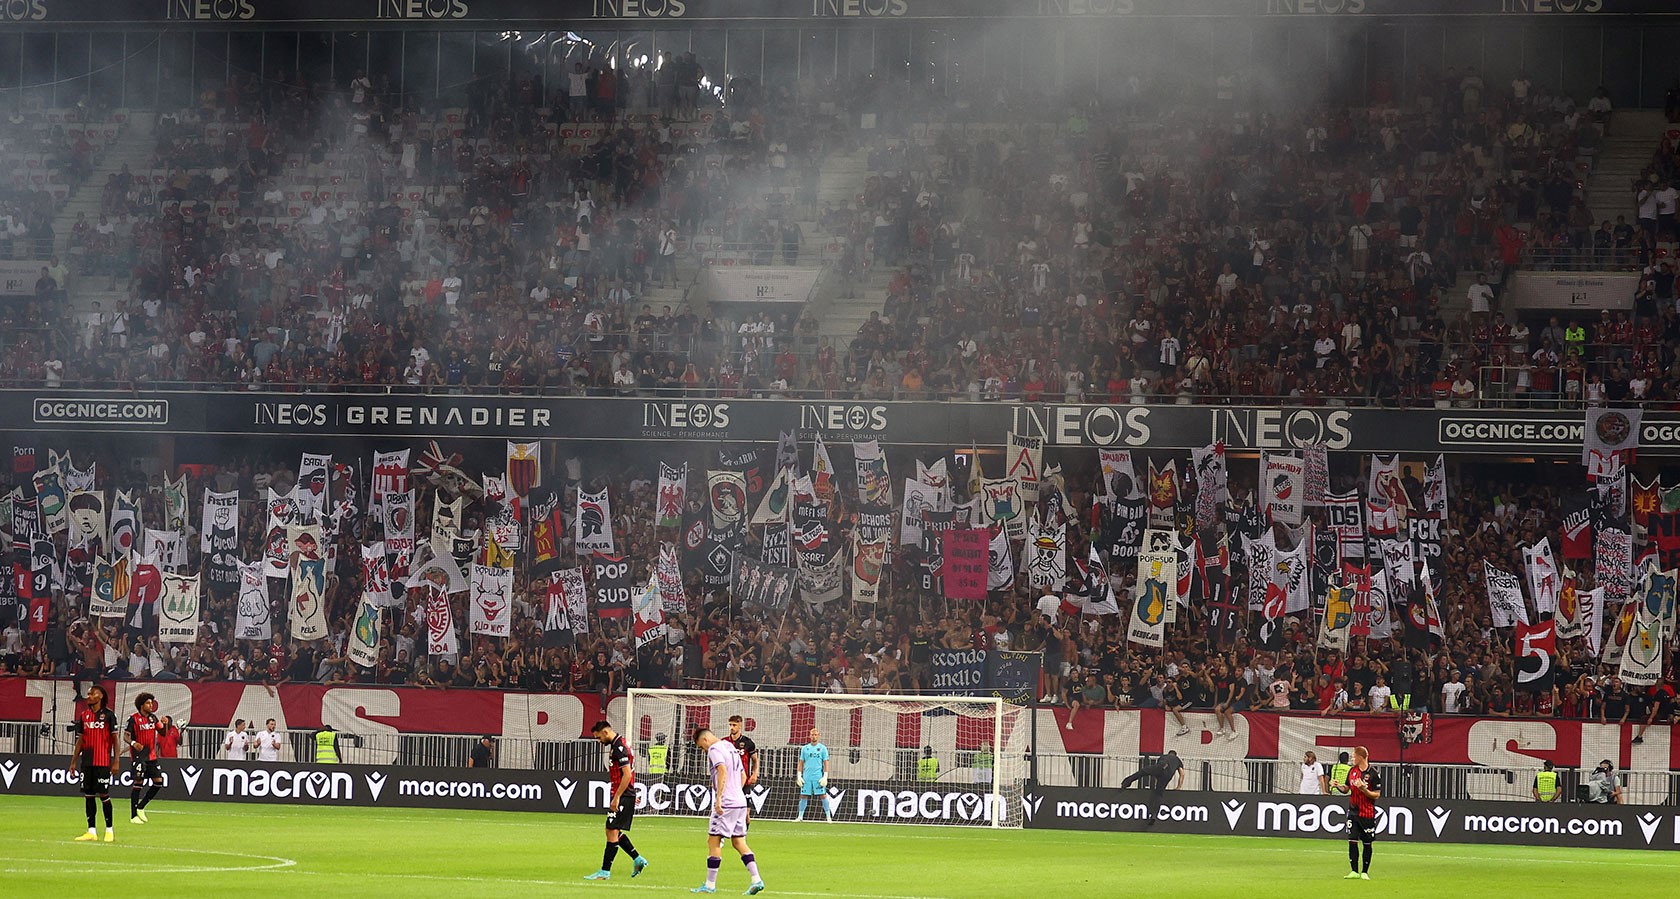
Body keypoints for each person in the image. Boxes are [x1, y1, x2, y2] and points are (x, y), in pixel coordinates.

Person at [690, 727, 765, 895]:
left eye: (701, 747)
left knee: (713, 841)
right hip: (739, 801)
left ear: (705, 740)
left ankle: (710, 885)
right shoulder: (730, 746)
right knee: (739, 842)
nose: (703, 750)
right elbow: (743, 775)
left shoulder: (714, 749)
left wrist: (719, 798)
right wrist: (735, 791)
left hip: (726, 804)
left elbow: (722, 770)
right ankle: (756, 879)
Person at [585, 720, 649, 880]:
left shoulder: (619, 748)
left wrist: (618, 797)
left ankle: (605, 871)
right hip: (625, 793)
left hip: (622, 795)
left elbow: (627, 774)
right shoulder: (618, 744)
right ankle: (637, 859)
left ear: (605, 732)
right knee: (612, 830)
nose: (599, 741)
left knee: (611, 831)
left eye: (599, 737)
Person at [71, 684, 119, 841]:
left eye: (92, 694)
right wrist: (73, 762)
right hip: (87, 762)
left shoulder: (109, 715)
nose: (89, 696)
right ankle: (91, 831)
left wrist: (116, 761)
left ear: (101, 696)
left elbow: (115, 739)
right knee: (89, 795)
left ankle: (109, 830)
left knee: (104, 795)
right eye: (89, 694)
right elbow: (80, 740)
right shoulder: (84, 715)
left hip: (102, 762)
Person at [1344, 745, 1383, 881]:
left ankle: (1364, 872)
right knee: (1352, 840)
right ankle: (1354, 871)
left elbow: (1376, 795)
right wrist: (1338, 786)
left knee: (1367, 842)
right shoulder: (1352, 771)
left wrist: (1364, 790)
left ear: (1360, 757)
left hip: (1367, 813)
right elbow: (1346, 788)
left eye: (1354, 756)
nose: (1352, 759)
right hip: (1353, 812)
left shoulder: (1373, 774)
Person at [125, 692, 164, 824]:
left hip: (151, 756)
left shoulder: (153, 718)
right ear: (141, 705)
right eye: (148, 703)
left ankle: (141, 806)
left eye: (151, 703)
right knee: (138, 783)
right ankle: (133, 816)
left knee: (158, 782)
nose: (151, 705)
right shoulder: (133, 719)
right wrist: (133, 743)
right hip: (139, 756)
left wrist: (165, 724)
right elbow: (126, 736)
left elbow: (162, 732)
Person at [1118, 749, 1184, 825]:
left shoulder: (1163, 756)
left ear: (1169, 753)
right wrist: (1178, 787)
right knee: (1159, 794)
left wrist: (1156, 778)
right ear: (1175, 755)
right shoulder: (1178, 760)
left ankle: (1126, 783)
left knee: (1143, 772)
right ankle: (1154, 815)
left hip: (1160, 767)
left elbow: (1158, 770)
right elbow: (1182, 774)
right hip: (1168, 775)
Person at [795, 726, 831, 822]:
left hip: (818, 776)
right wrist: (799, 775)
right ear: (809, 736)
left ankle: (828, 817)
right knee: (803, 795)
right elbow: (801, 762)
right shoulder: (805, 748)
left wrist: (825, 776)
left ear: (818, 736)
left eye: (815, 735)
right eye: (812, 735)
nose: (814, 736)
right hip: (807, 776)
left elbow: (826, 763)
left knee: (823, 795)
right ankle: (800, 817)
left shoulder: (822, 748)